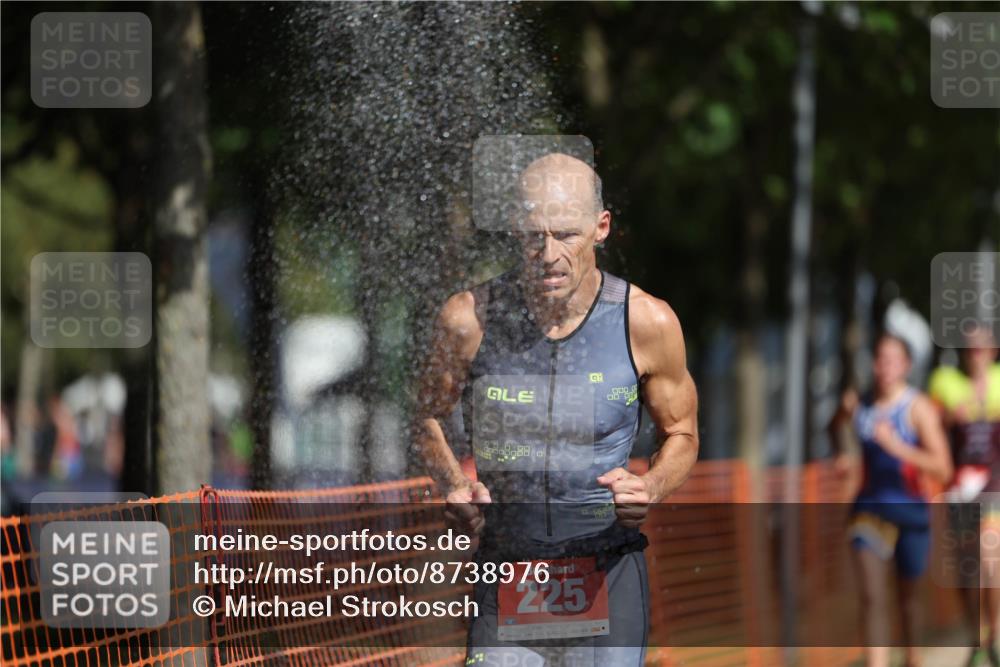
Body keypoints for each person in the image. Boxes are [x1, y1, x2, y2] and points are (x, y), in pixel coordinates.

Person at [413, 152, 699, 666]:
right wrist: (454, 483)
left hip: (607, 568)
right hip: (507, 570)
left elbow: (682, 432)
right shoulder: (469, 319)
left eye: (566, 234)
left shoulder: (647, 322)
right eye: (533, 236)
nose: (548, 254)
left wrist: (651, 487)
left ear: (601, 227)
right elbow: (425, 416)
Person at [832, 333, 952, 667]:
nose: (884, 367)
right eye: (879, 359)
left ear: (906, 366)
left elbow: (943, 467)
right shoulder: (858, 403)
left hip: (911, 514)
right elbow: (835, 425)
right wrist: (842, 453)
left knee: (908, 601)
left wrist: (897, 447)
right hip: (869, 510)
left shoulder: (917, 408)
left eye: (892, 360)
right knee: (872, 596)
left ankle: (913, 656)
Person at [928, 327, 1000, 667]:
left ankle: (994, 633)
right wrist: (946, 418)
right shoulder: (945, 383)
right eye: (970, 349)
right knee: (967, 571)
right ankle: (976, 639)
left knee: (990, 558)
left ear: (993, 351)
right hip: (960, 487)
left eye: (981, 348)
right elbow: (928, 428)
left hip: (995, 483)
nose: (976, 355)